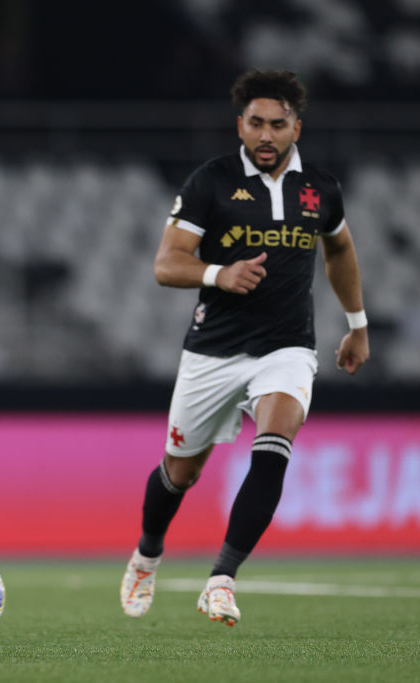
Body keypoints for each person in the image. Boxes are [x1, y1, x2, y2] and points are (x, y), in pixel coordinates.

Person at [120, 69, 369, 626]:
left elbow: (341, 249)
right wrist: (218, 274)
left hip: (287, 347)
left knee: (277, 438)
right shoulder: (211, 181)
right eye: (255, 122)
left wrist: (357, 323)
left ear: (295, 128)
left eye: (277, 125)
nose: (265, 134)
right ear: (240, 124)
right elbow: (166, 263)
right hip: (214, 351)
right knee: (179, 474)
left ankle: (222, 579)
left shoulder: (321, 189)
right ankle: (147, 552)